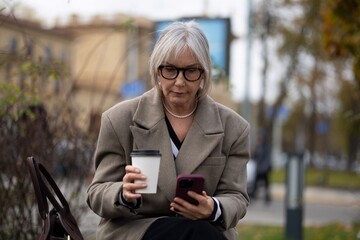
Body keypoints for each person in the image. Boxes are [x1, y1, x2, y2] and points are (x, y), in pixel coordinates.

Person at [87, 20, 250, 240]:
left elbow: (236, 196)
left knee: (199, 232)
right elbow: (97, 192)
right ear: (157, 70)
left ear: (203, 73)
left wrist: (213, 208)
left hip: (205, 229)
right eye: (170, 70)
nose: (180, 81)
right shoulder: (119, 120)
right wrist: (123, 193)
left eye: (190, 71)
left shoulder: (234, 128)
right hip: (137, 229)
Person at [249, 131, 272, 203]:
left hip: (263, 169)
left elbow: (267, 158)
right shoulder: (259, 146)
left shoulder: (265, 147)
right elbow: (255, 157)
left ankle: (266, 197)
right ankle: (253, 195)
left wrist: (265, 167)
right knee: (258, 183)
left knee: (265, 184)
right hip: (260, 168)